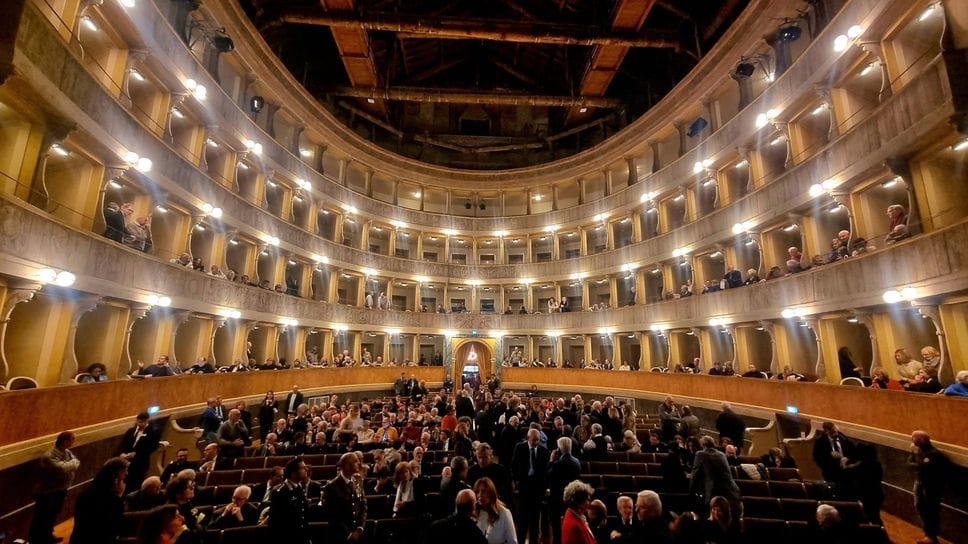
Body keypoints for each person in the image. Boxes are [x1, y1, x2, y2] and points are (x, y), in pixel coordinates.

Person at [30, 431, 81, 544]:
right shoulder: (50, 455)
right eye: (72, 440)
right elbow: (62, 468)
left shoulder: (67, 452)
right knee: (42, 516)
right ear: (65, 441)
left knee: (53, 514)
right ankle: (37, 539)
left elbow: (77, 462)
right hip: (48, 492)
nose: (74, 442)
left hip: (60, 489)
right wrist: (72, 464)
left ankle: (48, 535)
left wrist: (71, 464)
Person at [70, 457, 128, 544]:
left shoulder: (87, 492)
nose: (127, 473)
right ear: (114, 477)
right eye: (123, 471)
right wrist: (118, 497)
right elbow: (114, 524)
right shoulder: (110, 499)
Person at [510, 428, 548, 544]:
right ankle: (521, 541)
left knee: (535, 520)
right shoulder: (520, 448)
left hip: (537, 489)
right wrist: (516, 481)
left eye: (538, 440)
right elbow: (514, 465)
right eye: (533, 440)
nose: (536, 443)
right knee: (523, 519)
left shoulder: (543, 450)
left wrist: (545, 487)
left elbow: (545, 471)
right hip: (524, 486)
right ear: (528, 438)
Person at [911, 430, 949, 544]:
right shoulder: (917, 451)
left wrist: (917, 464)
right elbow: (911, 465)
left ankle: (931, 536)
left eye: (913, 438)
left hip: (931, 487)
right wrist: (918, 464)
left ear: (922, 440)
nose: (911, 440)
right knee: (919, 507)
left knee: (931, 510)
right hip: (920, 483)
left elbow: (922, 467)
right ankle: (928, 534)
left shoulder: (934, 454)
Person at [689, 436, 741, 517]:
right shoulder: (721, 454)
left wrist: (690, 493)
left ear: (703, 445)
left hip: (715, 493)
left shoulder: (701, 454)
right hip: (732, 491)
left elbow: (695, 475)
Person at [322, 452, 367, 543]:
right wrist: (349, 533)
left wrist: (360, 527)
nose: (359, 463)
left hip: (357, 532)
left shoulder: (357, 480)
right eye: (355, 461)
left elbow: (363, 504)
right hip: (340, 535)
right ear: (346, 466)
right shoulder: (331, 486)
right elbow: (333, 515)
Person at [547, 437, 582, 544]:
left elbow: (548, 475)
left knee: (558, 530)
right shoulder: (577, 462)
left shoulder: (558, 464)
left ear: (559, 449)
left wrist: (551, 461)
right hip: (572, 499)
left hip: (558, 500)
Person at [269, 458, 311, 543]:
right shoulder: (279, 492)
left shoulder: (298, 487)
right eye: (303, 468)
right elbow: (276, 522)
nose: (306, 469)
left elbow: (302, 516)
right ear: (293, 472)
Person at [118, 412, 160, 492]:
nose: (140, 424)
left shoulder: (153, 432)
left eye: (143, 422)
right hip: (125, 462)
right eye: (139, 422)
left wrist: (136, 454)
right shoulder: (131, 431)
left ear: (147, 421)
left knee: (135, 485)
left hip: (140, 463)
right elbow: (122, 444)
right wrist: (122, 453)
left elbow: (152, 447)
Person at [812, 422, 856, 493]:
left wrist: (847, 458)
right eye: (832, 433)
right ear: (827, 432)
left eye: (836, 432)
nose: (836, 434)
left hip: (845, 471)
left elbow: (854, 453)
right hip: (830, 473)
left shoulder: (843, 438)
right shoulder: (820, 441)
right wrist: (829, 455)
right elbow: (817, 457)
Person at [474, 477, 517, 544]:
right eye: (477, 492)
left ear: (491, 493)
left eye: (484, 491)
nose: (480, 495)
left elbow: (512, 541)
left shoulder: (504, 513)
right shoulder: (474, 513)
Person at [561, 480, 597, 544]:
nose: (589, 503)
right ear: (579, 502)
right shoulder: (575, 526)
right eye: (587, 499)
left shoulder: (572, 514)